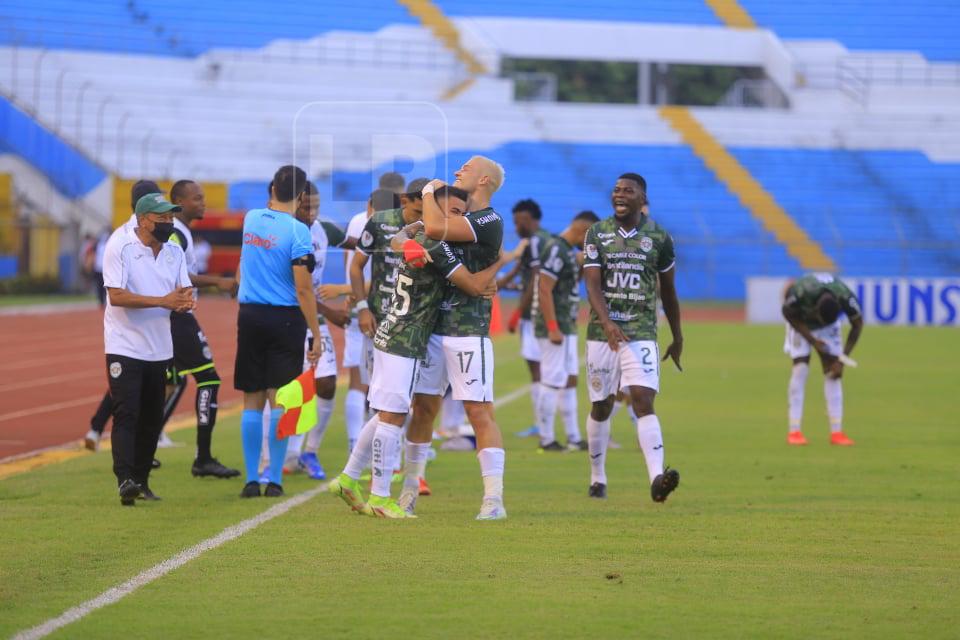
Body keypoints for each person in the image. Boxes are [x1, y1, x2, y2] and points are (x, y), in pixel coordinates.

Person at [328, 185, 507, 517]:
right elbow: (473, 285)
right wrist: (499, 263)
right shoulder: (436, 245)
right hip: (406, 337)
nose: (456, 218)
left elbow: (398, 240)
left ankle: (348, 477)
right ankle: (381, 497)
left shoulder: (416, 238)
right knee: (393, 416)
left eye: (459, 213)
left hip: (394, 332)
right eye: (449, 212)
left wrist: (411, 234)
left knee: (385, 412)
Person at [415, 156, 509, 520]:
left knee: (478, 412)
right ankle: (411, 488)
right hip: (434, 329)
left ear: (483, 180)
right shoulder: (459, 219)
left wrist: (427, 190)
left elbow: (435, 230)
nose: (457, 173)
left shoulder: (488, 219)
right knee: (422, 409)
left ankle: (493, 500)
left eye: (465, 169)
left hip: (468, 331)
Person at [582, 173, 682, 502]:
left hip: (641, 330)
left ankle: (657, 478)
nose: (619, 194)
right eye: (616, 190)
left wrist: (677, 335)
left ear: (642, 199)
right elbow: (593, 284)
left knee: (642, 399)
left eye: (628, 190)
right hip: (602, 332)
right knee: (601, 405)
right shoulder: (597, 232)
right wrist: (608, 322)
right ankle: (597, 477)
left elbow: (668, 291)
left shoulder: (660, 238)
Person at [235, 165, 321, 499]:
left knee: (251, 399)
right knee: (280, 400)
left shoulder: (250, 219)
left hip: (250, 315)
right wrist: (314, 331)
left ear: (271, 187)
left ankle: (250, 479)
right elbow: (303, 289)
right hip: (285, 319)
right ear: (301, 197)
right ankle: (274, 479)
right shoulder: (299, 232)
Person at [102, 193, 194, 505]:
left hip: (159, 347)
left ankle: (141, 480)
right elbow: (116, 295)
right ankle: (124, 478)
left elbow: (183, 290)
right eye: (163, 218)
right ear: (144, 221)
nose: (169, 223)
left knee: (152, 418)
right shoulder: (121, 245)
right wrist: (164, 301)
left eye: (171, 218)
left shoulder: (174, 251)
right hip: (124, 345)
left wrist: (184, 300)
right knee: (126, 413)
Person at [156, 179, 242, 478]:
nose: (203, 203)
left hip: (169, 316)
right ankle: (202, 458)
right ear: (179, 202)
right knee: (208, 379)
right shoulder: (176, 234)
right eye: (197, 198)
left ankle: (142, 447)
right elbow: (180, 275)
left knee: (168, 383)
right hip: (175, 317)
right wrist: (218, 282)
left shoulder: (183, 233)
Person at [85, 180, 165, 454]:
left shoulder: (128, 234)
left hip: (150, 329)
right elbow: (118, 295)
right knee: (131, 396)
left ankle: (97, 428)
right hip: (139, 331)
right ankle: (131, 467)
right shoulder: (127, 239)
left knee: (129, 393)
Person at [289, 180, 350, 479]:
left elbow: (360, 242)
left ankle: (310, 452)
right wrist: (332, 312)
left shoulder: (324, 230)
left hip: (315, 319)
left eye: (316, 206)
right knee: (285, 387)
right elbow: (295, 287)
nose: (311, 212)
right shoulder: (284, 232)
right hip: (286, 318)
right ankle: (275, 456)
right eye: (305, 206)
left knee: (326, 383)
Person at [534, 210, 600, 451]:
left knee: (570, 377)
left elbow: (568, 286)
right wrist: (552, 327)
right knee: (552, 379)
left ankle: (573, 436)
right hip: (556, 325)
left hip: (568, 324)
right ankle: (547, 438)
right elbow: (544, 289)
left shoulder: (568, 252)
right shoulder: (556, 248)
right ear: (582, 230)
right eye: (589, 237)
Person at [781, 273, 863, 446]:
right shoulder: (801, 292)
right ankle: (794, 431)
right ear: (815, 308)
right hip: (801, 325)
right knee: (800, 369)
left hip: (830, 329)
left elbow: (858, 324)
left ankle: (837, 433)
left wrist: (842, 358)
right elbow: (787, 313)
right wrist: (812, 340)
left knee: (834, 373)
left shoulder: (846, 297)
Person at [500, 199, 554, 438]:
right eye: (514, 222)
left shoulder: (534, 243)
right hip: (543, 312)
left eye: (520, 222)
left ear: (532, 220)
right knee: (542, 370)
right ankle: (541, 423)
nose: (516, 226)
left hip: (533, 315)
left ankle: (543, 426)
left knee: (538, 371)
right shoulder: (546, 240)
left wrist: (517, 313)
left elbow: (535, 280)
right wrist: (507, 284)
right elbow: (524, 276)